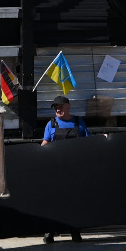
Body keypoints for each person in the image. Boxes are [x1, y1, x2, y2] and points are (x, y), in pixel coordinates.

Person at [40, 97, 87, 243]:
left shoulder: (79, 122)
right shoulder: (51, 124)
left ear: (68, 106)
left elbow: (89, 142)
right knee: (53, 201)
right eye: (55, 107)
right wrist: (39, 151)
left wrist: (103, 139)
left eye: (60, 107)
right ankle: (50, 232)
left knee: (74, 201)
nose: (57, 110)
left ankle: (75, 232)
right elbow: (45, 142)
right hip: (56, 169)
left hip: (74, 169)